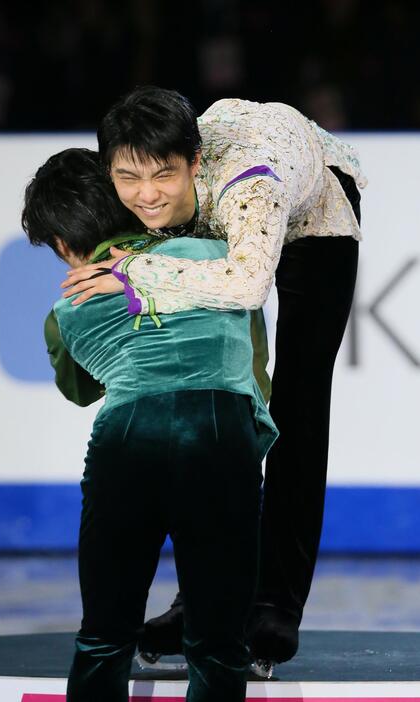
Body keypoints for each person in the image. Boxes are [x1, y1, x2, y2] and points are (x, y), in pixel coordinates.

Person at [62, 86, 365, 670]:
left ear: (194, 164)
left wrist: (133, 270)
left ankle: (275, 604)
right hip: (217, 205)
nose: (146, 195)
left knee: (296, 402)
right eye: (129, 178)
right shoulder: (136, 181)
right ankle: (199, 598)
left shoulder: (249, 186)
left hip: (316, 201)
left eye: (163, 177)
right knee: (224, 387)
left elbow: (247, 282)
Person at [22, 146, 278, 702]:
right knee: (217, 643)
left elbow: (80, 389)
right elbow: (256, 370)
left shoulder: (67, 310)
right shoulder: (217, 257)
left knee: (104, 636)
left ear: (64, 244)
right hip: (221, 435)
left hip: (126, 444)